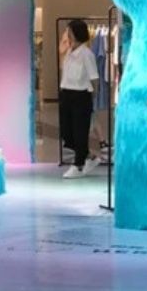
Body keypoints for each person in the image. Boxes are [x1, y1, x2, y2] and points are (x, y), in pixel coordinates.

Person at [59, 20, 101, 179]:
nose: (66, 34)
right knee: (66, 132)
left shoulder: (86, 54)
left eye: (69, 31)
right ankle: (89, 156)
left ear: (76, 33)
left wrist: (92, 98)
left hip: (81, 95)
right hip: (66, 94)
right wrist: (63, 50)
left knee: (79, 132)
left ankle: (78, 165)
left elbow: (94, 78)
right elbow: (64, 70)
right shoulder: (69, 51)